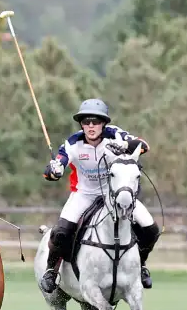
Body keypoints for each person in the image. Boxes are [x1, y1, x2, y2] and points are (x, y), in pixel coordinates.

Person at [39, 98, 160, 292]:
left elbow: (143, 145)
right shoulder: (73, 142)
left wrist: (126, 147)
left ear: (104, 123)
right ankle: (51, 271)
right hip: (84, 194)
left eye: (96, 121)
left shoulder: (115, 135)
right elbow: (53, 168)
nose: (91, 125)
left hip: (114, 194)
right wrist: (55, 170)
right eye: (86, 121)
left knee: (151, 229)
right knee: (61, 231)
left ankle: (141, 265)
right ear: (81, 124)